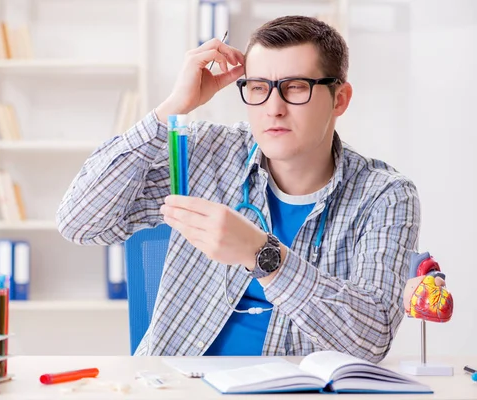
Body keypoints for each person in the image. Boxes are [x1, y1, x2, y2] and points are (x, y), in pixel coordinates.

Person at [56, 15, 446, 362]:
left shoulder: (385, 195)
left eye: (295, 87)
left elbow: (371, 339)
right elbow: (80, 223)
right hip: (175, 385)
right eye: (259, 87)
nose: (273, 107)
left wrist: (262, 255)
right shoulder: (210, 153)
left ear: (339, 98)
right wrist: (171, 109)